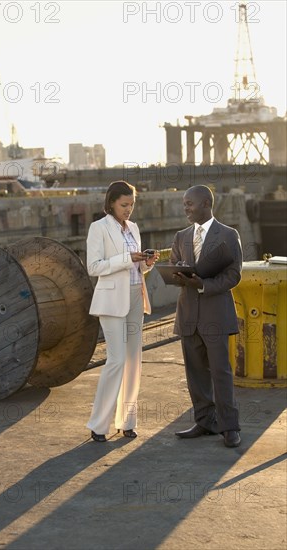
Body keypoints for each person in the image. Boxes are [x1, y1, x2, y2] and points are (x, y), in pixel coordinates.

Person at [86, 180, 159, 442]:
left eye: (132, 205)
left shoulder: (134, 229)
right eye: (124, 205)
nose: (129, 210)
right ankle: (98, 424)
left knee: (133, 361)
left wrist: (146, 263)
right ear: (111, 203)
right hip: (111, 301)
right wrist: (128, 259)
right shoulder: (99, 228)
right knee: (116, 360)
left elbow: (134, 268)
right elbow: (94, 267)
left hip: (135, 296)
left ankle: (127, 421)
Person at [170, 184, 242, 448]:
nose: (185, 208)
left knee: (221, 373)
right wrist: (178, 274)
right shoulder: (180, 236)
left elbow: (233, 275)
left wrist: (203, 284)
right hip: (188, 314)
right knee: (195, 373)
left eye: (190, 203)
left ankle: (230, 427)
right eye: (184, 203)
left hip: (216, 315)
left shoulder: (228, 235)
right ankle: (204, 422)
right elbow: (176, 264)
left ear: (205, 204)